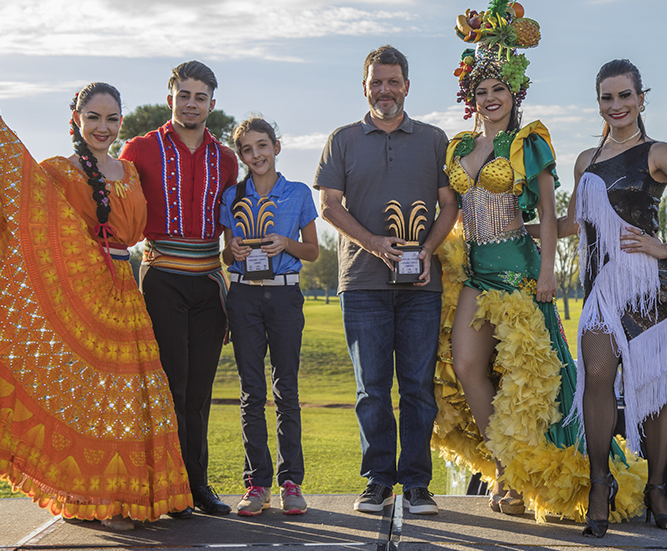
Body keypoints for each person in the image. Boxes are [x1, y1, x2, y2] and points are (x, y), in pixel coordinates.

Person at [0, 78, 193, 531]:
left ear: (121, 122)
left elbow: (135, 234)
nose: (103, 126)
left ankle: (135, 495)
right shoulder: (58, 171)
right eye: (92, 117)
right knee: (92, 396)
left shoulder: (129, 173)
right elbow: (31, 218)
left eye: (111, 118)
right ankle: (101, 499)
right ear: (76, 119)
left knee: (135, 393)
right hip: (80, 290)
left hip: (125, 289)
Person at [433, 0, 646, 524]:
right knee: (469, 367)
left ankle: (539, 475)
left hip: (522, 275)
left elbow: (550, 215)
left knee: (536, 383)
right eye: (482, 90)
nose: (492, 97)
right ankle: (505, 469)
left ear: (514, 92)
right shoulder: (458, 146)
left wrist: (550, 271)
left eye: (500, 88)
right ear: (471, 96)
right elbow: (451, 205)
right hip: (475, 269)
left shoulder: (532, 142)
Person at [559, 59, 667, 537]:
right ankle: (598, 484)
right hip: (602, 291)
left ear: (641, 98)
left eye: (625, 96)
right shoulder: (584, 161)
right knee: (597, 375)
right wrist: (520, 229)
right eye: (607, 98)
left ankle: (656, 488)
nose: (616, 106)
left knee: (652, 387)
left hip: (653, 289)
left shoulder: (659, 152)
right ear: (599, 103)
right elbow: (572, 225)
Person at [314, 45, 458, 515]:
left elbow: (450, 205)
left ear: (407, 86)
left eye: (393, 81)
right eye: (376, 82)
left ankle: (417, 485)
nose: (385, 90)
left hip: (422, 287)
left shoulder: (435, 139)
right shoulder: (343, 139)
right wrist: (375, 244)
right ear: (365, 86)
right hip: (362, 285)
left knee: (417, 386)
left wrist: (427, 252)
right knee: (371, 389)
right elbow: (329, 205)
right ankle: (378, 482)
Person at [120, 61, 239, 516]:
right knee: (169, 387)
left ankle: (197, 487)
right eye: (183, 95)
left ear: (212, 102)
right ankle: (164, 490)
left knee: (199, 391)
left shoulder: (225, 158)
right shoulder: (139, 149)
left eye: (200, 97)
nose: (191, 104)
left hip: (209, 283)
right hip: (162, 277)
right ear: (170, 96)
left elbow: (234, 223)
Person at [220, 117, 319, 516]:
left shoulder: (296, 194)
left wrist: (287, 243)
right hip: (243, 296)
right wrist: (235, 252)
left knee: (287, 391)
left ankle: (290, 482)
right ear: (241, 155)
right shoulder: (232, 195)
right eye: (247, 149)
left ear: (276, 147)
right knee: (250, 394)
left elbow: (313, 251)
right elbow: (225, 254)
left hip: (283, 296)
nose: (256, 154)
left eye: (262, 145)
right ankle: (257, 483)